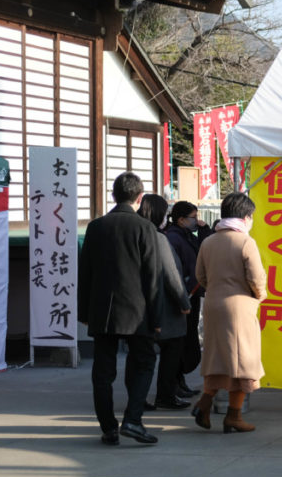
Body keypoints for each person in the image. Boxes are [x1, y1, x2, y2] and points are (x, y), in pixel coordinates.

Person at [79, 172, 163, 445]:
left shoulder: (96, 227)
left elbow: (86, 273)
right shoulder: (145, 228)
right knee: (145, 362)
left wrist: (84, 312)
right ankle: (133, 419)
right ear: (140, 198)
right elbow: (153, 277)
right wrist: (157, 316)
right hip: (137, 312)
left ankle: (108, 427)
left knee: (102, 371)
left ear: (113, 196)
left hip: (102, 310)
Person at [192, 192, 267, 433]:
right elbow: (256, 278)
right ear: (245, 217)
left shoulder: (208, 241)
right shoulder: (246, 241)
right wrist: (260, 295)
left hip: (213, 304)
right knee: (242, 362)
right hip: (239, 306)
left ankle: (205, 403)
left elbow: (200, 276)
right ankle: (233, 415)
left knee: (216, 357)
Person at [137, 194, 192, 410]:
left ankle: (138, 397)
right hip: (166, 306)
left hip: (139, 306)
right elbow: (171, 274)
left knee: (140, 356)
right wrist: (184, 301)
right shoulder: (158, 238)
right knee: (171, 352)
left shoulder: (136, 234)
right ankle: (166, 395)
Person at [164, 200, 215, 399]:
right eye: (193, 218)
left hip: (192, 294)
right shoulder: (174, 238)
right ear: (181, 220)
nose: (197, 221)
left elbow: (203, 250)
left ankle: (180, 382)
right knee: (179, 343)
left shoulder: (186, 236)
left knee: (187, 340)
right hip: (183, 295)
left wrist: (203, 231)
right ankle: (174, 383)